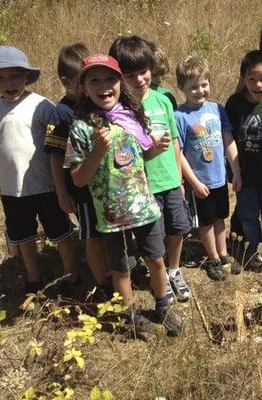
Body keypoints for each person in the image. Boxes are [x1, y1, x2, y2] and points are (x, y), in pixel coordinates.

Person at [64, 54, 182, 337]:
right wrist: (98, 152)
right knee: (122, 269)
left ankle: (163, 305)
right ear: (83, 87)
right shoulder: (81, 128)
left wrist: (156, 147)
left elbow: (141, 155)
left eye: (110, 79)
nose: (104, 85)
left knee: (156, 259)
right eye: (95, 80)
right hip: (111, 216)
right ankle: (130, 317)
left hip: (144, 206)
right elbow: (78, 179)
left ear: (120, 83)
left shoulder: (132, 115)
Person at [0, 46, 77, 296]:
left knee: (59, 229)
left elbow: (56, 147)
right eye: (0, 78)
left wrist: (61, 186)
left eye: (15, 76)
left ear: (26, 77)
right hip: (12, 189)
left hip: (44, 184)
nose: (9, 83)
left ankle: (70, 272)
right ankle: (33, 276)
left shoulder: (41, 105)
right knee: (22, 234)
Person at [109, 35, 192, 303]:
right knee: (153, 236)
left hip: (170, 178)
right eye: (130, 75)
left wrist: (179, 177)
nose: (139, 80)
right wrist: (149, 150)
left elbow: (176, 140)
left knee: (178, 227)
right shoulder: (121, 109)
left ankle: (174, 270)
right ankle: (159, 276)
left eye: (143, 72)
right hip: (144, 186)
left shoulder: (164, 100)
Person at [44, 43, 112, 298]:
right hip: (81, 190)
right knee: (92, 236)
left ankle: (113, 270)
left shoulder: (97, 105)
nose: (88, 87)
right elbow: (54, 156)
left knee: (106, 231)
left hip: (104, 186)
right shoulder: (61, 114)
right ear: (66, 81)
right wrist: (62, 193)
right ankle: (102, 281)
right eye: (81, 82)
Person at [175, 56, 242, 281]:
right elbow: (179, 154)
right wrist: (193, 182)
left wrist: (237, 170)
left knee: (221, 218)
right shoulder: (180, 116)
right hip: (200, 182)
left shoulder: (217, 109)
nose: (200, 91)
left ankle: (223, 254)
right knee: (205, 223)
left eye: (204, 85)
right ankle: (212, 257)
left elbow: (228, 140)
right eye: (193, 87)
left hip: (219, 179)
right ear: (182, 88)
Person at [225, 50, 262, 273]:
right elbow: (228, 137)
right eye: (251, 79)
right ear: (243, 78)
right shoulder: (234, 103)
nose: (258, 84)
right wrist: (234, 171)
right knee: (248, 215)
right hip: (245, 174)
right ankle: (254, 251)